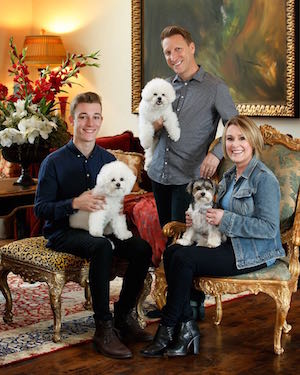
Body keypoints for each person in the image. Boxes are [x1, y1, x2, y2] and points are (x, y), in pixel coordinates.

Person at [141, 115, 285, 358]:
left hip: (253, 252)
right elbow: (213, 213)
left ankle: (169, 329)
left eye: (242, 138)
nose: (235, 144)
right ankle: (185, 328)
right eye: (229, 138)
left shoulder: (264, 179)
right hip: (228, 243)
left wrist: (224, 219)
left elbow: (268, 229)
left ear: (253, 142)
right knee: (174, 251)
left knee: (184, 258)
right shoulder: (229, 177)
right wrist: (199, 220)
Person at [34, 92, 153, 360]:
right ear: (71, 119)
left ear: (101, 119)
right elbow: (41, 209)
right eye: (83, 116)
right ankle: (103, 328)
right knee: (101, 246)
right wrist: (75, 202)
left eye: (96, 116)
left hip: (102, 227)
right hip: (64, 231)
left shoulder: (109, 160)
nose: (90, 123)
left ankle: (124, 316)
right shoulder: (53, 162)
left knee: (141, 248)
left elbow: (117, 203)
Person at [147, 25, 238, 317]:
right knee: (171, 238)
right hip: (159, 174)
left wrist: (216, 152)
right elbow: (151, 129)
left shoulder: (215, 87)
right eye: (167, 52)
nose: (173, 57)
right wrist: (153, 126)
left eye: (178, 49)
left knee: (187, 243)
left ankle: (191, 305)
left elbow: (238, 128)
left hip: (187, 179)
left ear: (191, 47)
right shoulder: (165, 88)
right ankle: (176, 303)